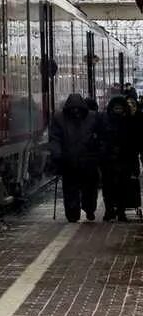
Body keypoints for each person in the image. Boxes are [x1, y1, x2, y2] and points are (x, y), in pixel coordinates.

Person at [50, 92, 103, 222]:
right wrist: (57, 154)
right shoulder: (59, 118)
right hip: (70, 161)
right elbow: (55, 138)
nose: (75, 111)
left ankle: (89, 208)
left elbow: (100, 135)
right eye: (73, 109)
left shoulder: (92, 117)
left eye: (77, 109)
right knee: (71, 190)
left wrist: (97, 149)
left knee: (89, 189)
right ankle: (73, 214)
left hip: (87, 160)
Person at [99, 93, 141, 222]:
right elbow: (100, 139)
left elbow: (134, 144)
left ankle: (121, 211)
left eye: (120, 108)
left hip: (125, 159)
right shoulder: (105, 121)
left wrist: (135, 164)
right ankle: (109, 210)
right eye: (116, 108)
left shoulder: (130, 122)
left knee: (123, 186)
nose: (118, 111)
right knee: (108, 187)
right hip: (108, 160)